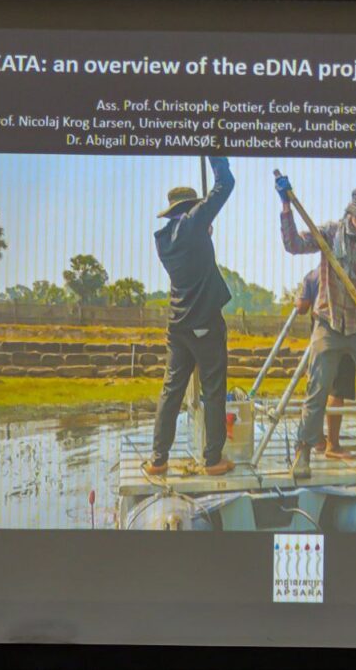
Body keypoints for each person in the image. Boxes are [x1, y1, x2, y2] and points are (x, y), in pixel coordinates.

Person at [276, 176, 356, 479]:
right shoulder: (330, 234)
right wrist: (286, 206)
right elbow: (293, 245)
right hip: (329, 322)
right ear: (352, 213)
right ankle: (304, 450)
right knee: (317, 388)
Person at [145, 156, 236, 477]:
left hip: (177, 325)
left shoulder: (163, 239)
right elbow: (225, 184)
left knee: (171, 390)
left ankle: (158, 459)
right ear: (192, 207)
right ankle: (213, 460)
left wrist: (203, 232)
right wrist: (215, 153)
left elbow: (192, 248)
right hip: (204, 324)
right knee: (213, 390)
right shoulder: (193, 224)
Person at [295, 268, 356, 460]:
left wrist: (298, 300)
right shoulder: (349, 272)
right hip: (344, 333)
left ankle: (319, 440)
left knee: (317, 387)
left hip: (322, 336)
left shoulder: (313, 275)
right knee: (336, 391)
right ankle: (332, 443)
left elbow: (302, 306)